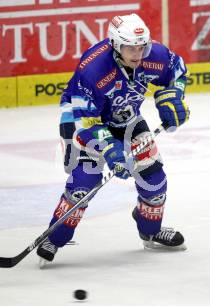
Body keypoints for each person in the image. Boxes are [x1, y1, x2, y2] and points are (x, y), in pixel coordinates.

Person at [37, 13, 189, 267]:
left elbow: (178, 70)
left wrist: (174, 96)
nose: (138, 53)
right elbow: (86, 122)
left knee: (154, 180)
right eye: (131, 47)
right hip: (81, 121)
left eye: (142, 46)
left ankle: (150, 230)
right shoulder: (93, 68)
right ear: (117, 45)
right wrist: (110, 148)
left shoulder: (154, 56)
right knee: (83, 183)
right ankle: (54, 236)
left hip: (127, 118)